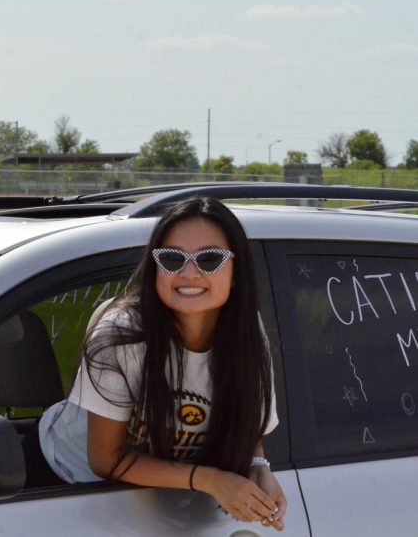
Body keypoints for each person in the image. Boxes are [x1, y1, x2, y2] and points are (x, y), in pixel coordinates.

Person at [38, 197, 287, 531]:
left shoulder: (247, 334)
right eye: (171, 259)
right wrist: (212, 480)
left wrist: (258, 466)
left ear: (236, 271)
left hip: (172, 493)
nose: (188, 272)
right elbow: (106, 460)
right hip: (70, 484)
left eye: (209, 259)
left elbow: (246, 420)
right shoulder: (121, 336)